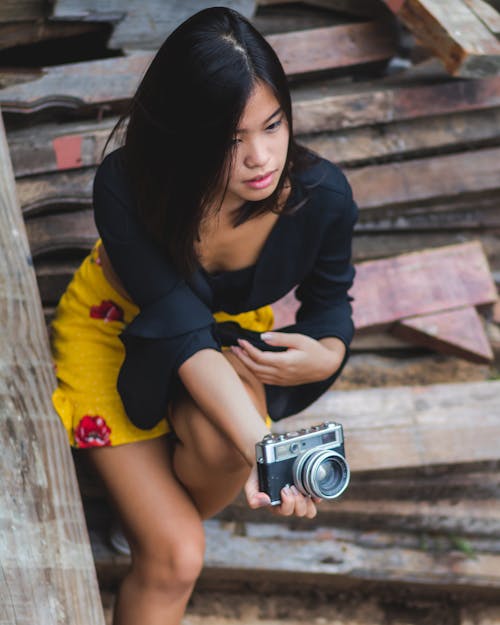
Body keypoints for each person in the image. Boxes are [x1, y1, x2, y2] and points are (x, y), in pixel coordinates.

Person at [49, 7, 358, 625]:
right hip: (116, 331)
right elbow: (180, 328)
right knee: (178, 556)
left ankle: (152, 509)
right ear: (184, 136)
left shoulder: (322, 198)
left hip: (222, 347)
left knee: (227, 433)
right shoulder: (127, 184)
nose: (260, 158)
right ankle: (156, 522)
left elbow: (330, 304)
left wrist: (328, 353)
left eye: (273, 125)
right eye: (229, 139)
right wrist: (264, 443)